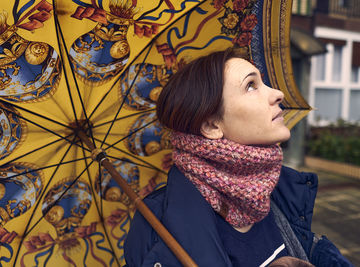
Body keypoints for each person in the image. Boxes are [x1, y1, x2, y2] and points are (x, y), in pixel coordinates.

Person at [123, 48, 353, 267]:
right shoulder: (156, 228)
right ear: (212, 125)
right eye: (251, 86)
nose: (277, 94)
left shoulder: (279, 189)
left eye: (262, 82)